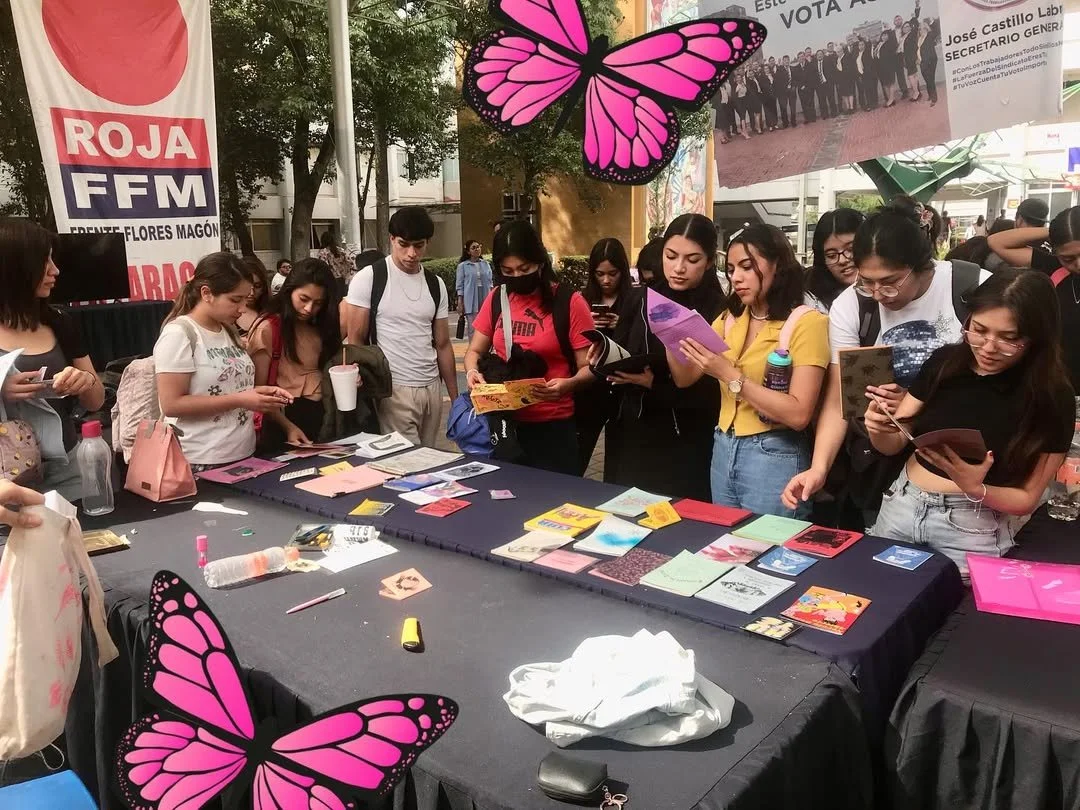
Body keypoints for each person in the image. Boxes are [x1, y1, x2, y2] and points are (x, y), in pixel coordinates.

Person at [781, 198, 991, 520]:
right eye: (867, 281)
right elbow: (843, 401)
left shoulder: (972, 287)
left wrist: (914, 402)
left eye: (890, 283)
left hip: (965, 471)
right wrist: (819, 468)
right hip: (883, 469)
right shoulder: (853, 305)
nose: (878, 294)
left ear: (922, 265)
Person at [866, 270, 1073, 579]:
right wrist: (878, 427)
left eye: (1009, 338)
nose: (988, 347)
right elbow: (894, 442)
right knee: (877, 599)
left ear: (1036, 338)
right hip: (902, 505)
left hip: (973, 526)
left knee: (958, 622)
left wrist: (977, 488)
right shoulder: (945, 361)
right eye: (979, 330)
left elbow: (1027, 498)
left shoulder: (1052, 397)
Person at [669, 225, 829, 518]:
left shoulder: (806, 322)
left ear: (778, 264)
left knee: (770, 550)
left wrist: (729, 375)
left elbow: (798, 414)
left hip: (774, 453)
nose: (736, 277)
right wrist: (669, 333)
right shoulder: (731, 317)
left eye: (747, 266)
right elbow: (685, 378)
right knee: (727, 546)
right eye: (730, 269)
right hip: (724, 445)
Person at [604, 214, 726, 500]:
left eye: (692, 260)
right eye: (671, 256)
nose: (679, 268)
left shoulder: (720, 311)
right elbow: (620, 348)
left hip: (690, 438)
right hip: (636, 430)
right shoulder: (641, 298)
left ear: (709, 262)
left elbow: (716, 390)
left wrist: (655, 386)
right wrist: (605, 357)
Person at [464, 221, 593, 474]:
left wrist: (571, 384)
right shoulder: (497, 298)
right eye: (507, 271)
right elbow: (474, 352)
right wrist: (471, 372)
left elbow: (589, 367)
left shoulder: (569, 302)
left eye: (524, 269)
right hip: (505, 425)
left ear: (540, 262)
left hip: (553, 427)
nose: (516, 277)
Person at [154, 252, 293, 470]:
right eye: (235, 300)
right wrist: (241, 399)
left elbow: (230, 387)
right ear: (206, 293)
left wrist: (261, 394)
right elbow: (171, 404)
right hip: (199, 460)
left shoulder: (227, 330)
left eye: (245, 299)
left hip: (243, 453)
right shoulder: (180, 334)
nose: (242, 309)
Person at [0, 218, 105, 499]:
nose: (55, 271)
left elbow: (96, 401)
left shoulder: (59, 322)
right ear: (15, 267)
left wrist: (84, 382)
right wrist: (2, 391)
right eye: (44, 262)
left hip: (67, 469)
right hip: (7, 479)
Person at [345, 207, 457, 447]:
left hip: (431, 388)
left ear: (427, 242)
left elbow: (444, 344)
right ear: (391, 239)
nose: (411, 253)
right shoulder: (369, 278)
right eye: (403, 244)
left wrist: (455, 397)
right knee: (408, 463)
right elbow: (355, 341)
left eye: (419, 245)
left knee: (428, 459)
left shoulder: (435, 284)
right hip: (393, 389)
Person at [248, 258, 342, 452]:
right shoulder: (268, 328)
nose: (309, 309)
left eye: (318, 303)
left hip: (326, 416)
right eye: (304, 299)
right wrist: (288, 426)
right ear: (289, 290)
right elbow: (258, 390)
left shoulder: (322, 325)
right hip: (283, 420)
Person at [987, 205, 1080, 387]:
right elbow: (997, 242)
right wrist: (1055, 230)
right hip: (1060, 387)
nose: (1078, 264)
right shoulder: (1053, 268)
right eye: (1068, 258)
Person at [576, 237, 633, 474]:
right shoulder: (582, 300)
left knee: (618, 462)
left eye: (613, 273)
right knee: (578, 453)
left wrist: (623, 324)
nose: (607, 280)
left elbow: (642, 343)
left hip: (621, 387)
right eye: (600, 274)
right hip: (589, 385)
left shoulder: (634, 299)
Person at [804, 208, 865, 314]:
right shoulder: (812, 303)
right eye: (831, 255)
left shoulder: (888, 295)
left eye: (850, 249)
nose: (842, 260)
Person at [455, 239, 493, 341]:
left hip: (485, 296)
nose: (477, 249)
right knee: (473, 327)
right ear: (468, 252)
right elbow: (460, 285)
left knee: (486, 326)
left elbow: (490, 283)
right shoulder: (463, 266)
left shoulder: (486, 264)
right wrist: (460, 302)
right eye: (474, 248)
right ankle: (473, 349)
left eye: (478, 247)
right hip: (470, 298)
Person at [235, 255, 270, 338]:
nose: (251, 293)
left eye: (257, 286)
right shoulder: (226, 313)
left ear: (264, 287)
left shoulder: (273, 312)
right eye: (246, 286)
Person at [919, 16, 940, 106]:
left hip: (931, 60)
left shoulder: (930, 35)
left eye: (923, 28)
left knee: (931, 79)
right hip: (922, 62)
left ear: (926, 28)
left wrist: (931, 21)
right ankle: (930, 95)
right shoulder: (919, 39)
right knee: (927, 79)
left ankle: (934, 98)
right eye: (920, 28)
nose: (921, 30)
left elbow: (937, 30)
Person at [875, 30, 898, 108]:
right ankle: (891, 99)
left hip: (889, 66)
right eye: (883, 35)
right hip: (881, 67)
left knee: (891, 83)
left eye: (886, 35)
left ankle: (891, 100)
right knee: (885, 84)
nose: (884, 37)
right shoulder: (879, 44)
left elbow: (893, 50)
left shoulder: (890, 43)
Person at [797, 51, 818, 124]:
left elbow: (812, 76)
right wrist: (801, 86)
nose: (801, 58)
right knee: (804, 104)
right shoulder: (796, 68)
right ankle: (807, 118)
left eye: (802, 56)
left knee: (811, 103)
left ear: (804, 57)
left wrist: (806, 86)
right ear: (798, 59)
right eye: (799, 57)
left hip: (809, 88)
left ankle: (813, 117)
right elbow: (795, 79)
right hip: (801, 90)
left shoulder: (809, 65)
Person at [776, 55, 797, 128]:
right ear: (783, 61)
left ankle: (793, 121)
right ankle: (785, 123)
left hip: (792, 91)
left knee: (793, 107)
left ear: (789, 60)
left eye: (788, 60)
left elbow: (795, 79)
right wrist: (784, 88)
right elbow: (778, 81)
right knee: (784, 108)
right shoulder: (779, 70)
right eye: (785, 60)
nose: (787, 61)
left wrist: (794, 86)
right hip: (783, 92)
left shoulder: (793, 68)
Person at [814, 50, 834, 119]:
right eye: (818, 54)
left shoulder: (827, 62)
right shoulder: (814, 64)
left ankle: (833, 113)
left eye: (821, 54)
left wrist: (831, 81)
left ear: (823, 55)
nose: (819, 55)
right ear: (816, 56)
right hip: (820, 85)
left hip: (828, 83)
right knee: (822, 101)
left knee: (831, 98)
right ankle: (824, 115)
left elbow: (832, 71)